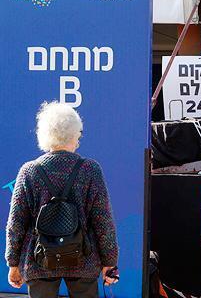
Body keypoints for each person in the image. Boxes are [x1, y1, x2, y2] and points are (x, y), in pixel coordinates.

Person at [5, 102, 119, 297]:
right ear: (75, 134)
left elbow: (16, 223)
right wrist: (110, 262)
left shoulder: (29, 172)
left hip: (40, 260)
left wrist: (13, 263)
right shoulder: (90, 170)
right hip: (84, 259)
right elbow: (103, 221)